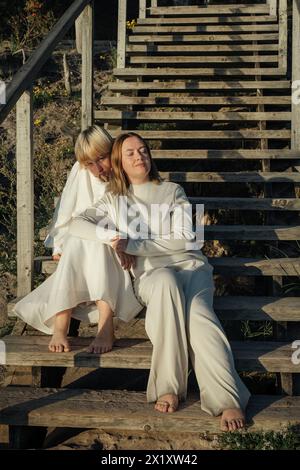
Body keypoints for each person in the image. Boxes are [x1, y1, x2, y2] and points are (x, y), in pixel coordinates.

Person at [68, 132, 251, 432]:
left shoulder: (171, 191)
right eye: (130, 153)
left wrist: (132, 245)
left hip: (192, 269)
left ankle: (226, 398)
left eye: (143, 150)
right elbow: (77, 223)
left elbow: (184, 239)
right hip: (152, 276)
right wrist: (112, 238)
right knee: (164, 280)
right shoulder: (114, 200)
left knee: (199, 317)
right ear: (119, 163)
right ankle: (169, 386)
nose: (139, 156)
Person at [14, 126, 143, 354]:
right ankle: (67, 323)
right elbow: (66, 210)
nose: (97, 168)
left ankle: (101, 326)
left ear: (111, 150)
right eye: (89, 164)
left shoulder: (125, 169)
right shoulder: (80, 171)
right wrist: (59, 244)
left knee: (98, 238)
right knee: (80, 237)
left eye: (101, 159)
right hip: (82, 236)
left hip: (115, 239)